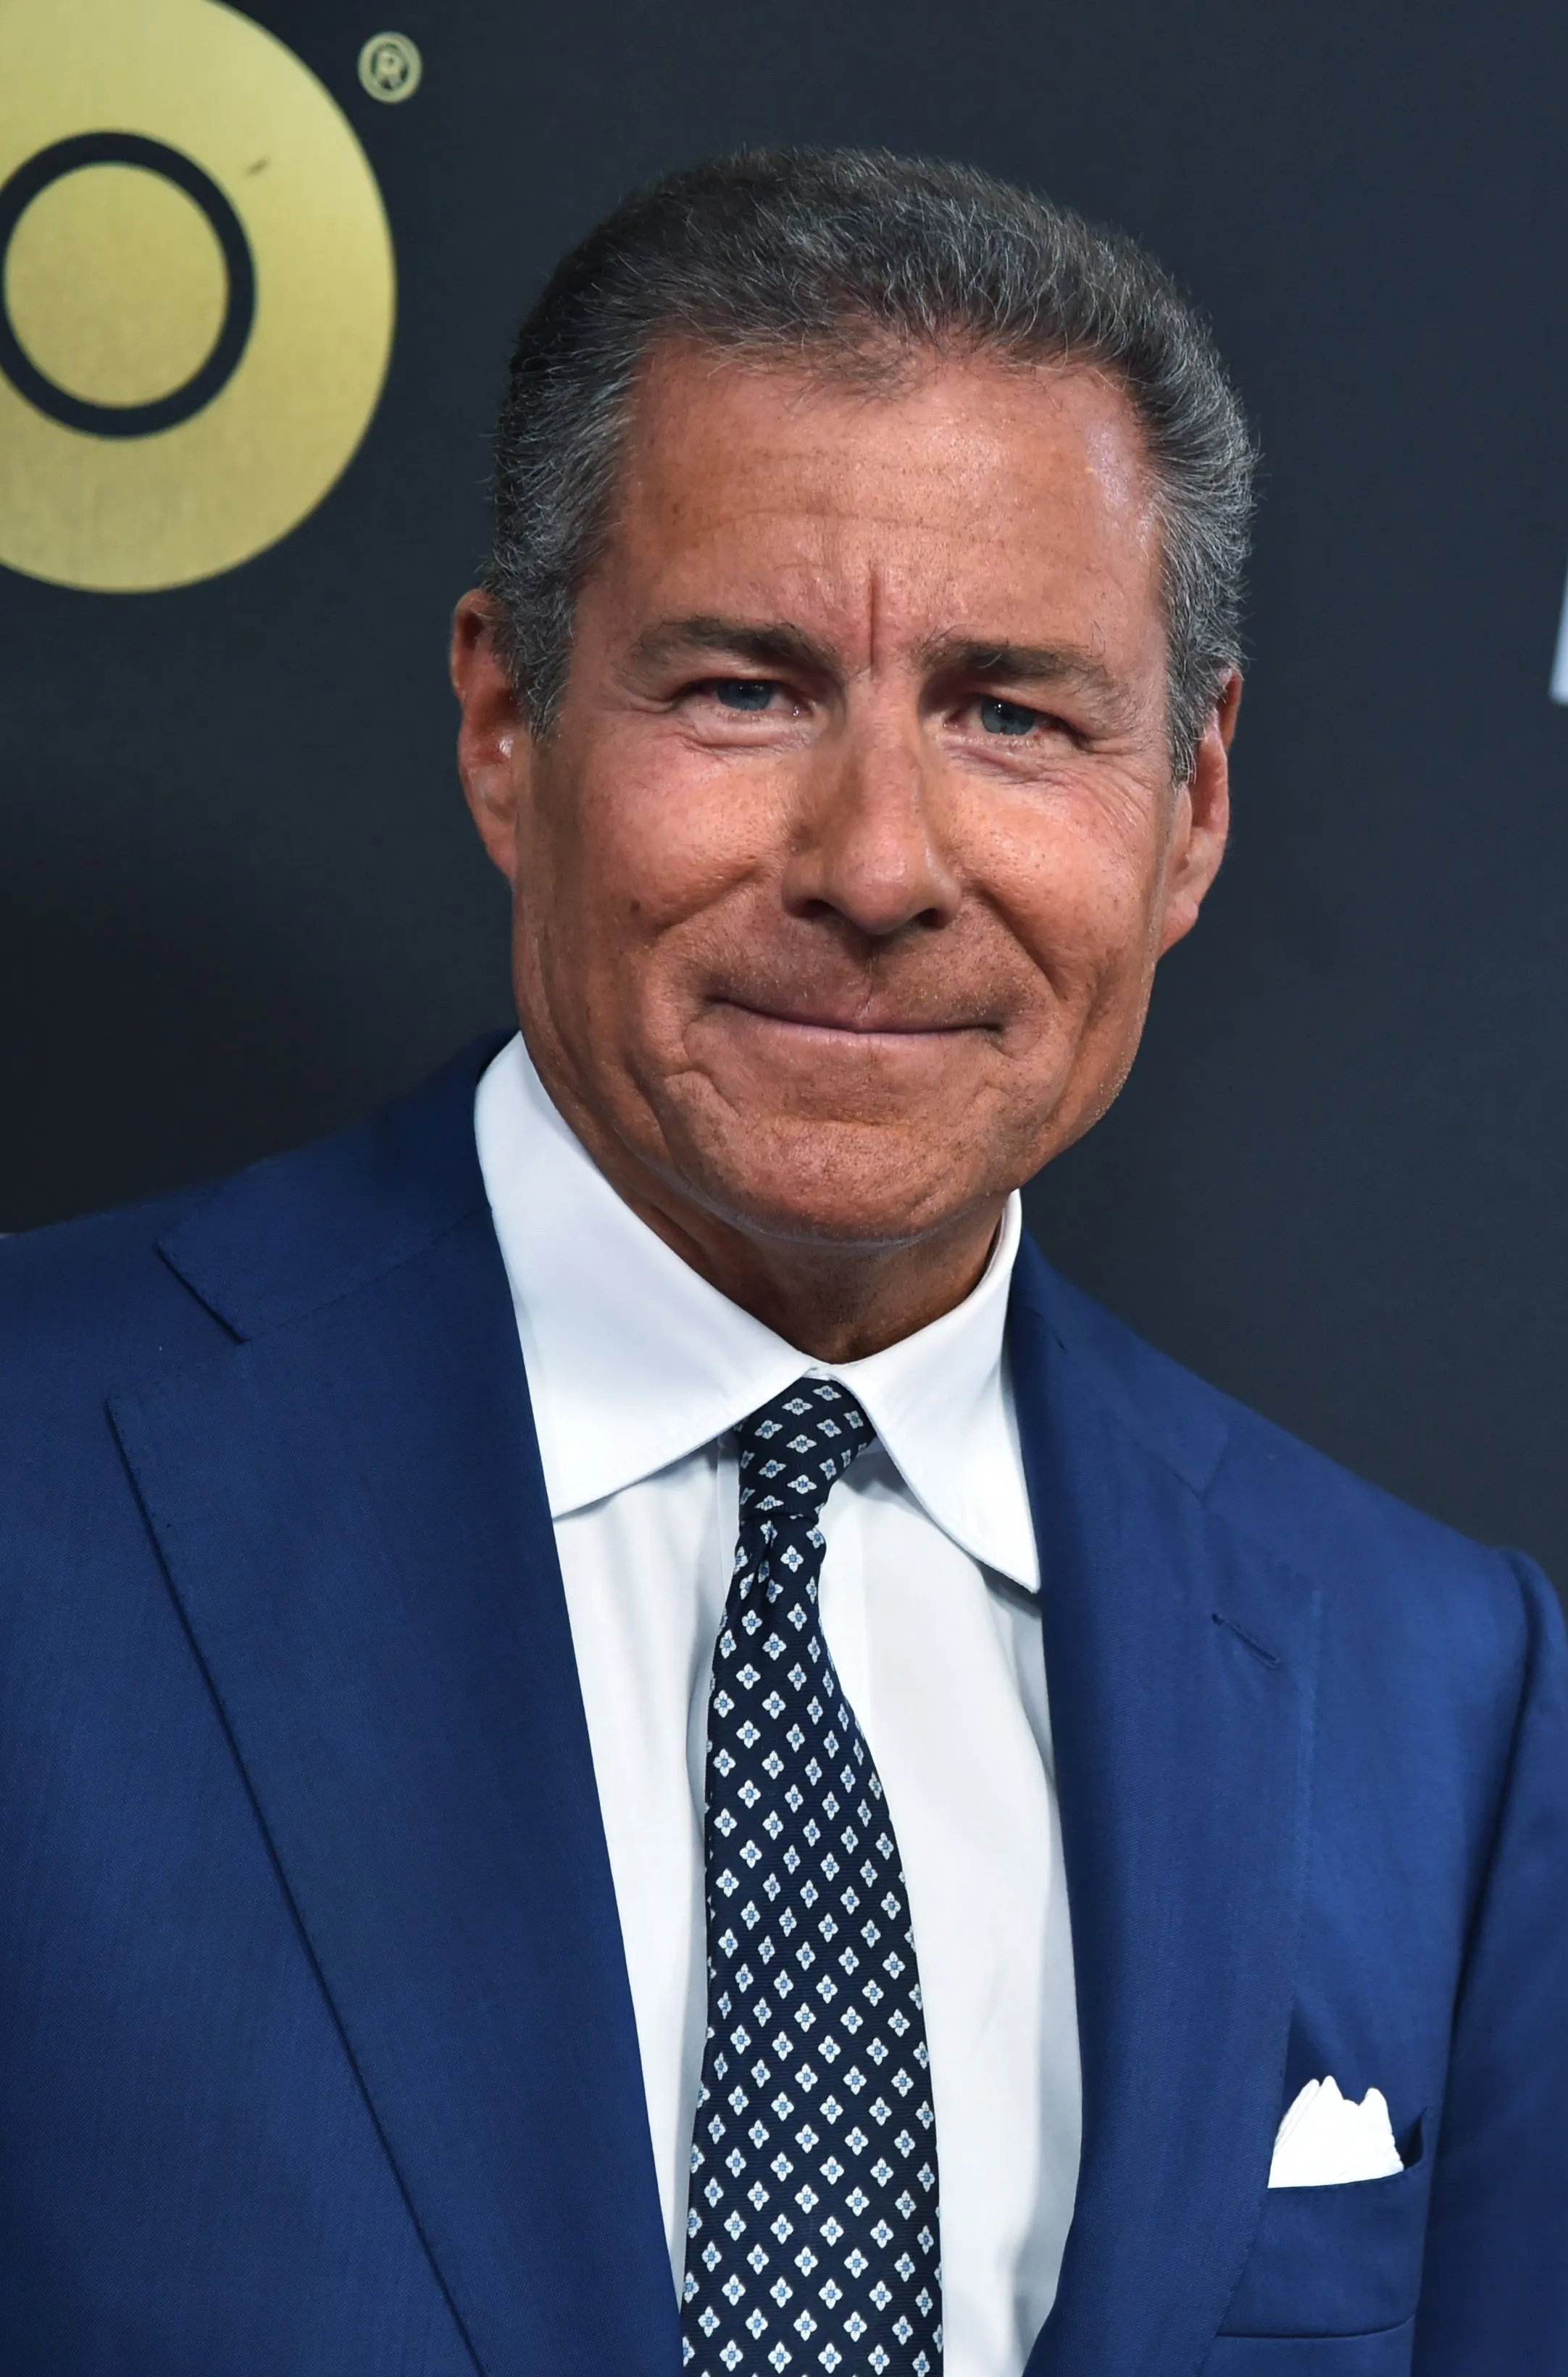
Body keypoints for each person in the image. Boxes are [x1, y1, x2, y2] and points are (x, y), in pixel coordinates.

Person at [1, 148, 1562, 2377]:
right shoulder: (37, 1481)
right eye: (744, 689)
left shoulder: (1438, 1687)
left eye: (1013, 715)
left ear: (1192, 806)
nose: (877, 865)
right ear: (506, 725)